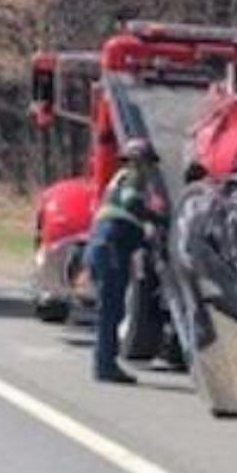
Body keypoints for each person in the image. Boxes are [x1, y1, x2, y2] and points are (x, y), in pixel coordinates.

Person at [84, 142, 163, 384]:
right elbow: (131, 204)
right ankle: (105, 367)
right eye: (148, 162)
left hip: (102, 245)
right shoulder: (133, 177)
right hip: (110, 248)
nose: (150, 168)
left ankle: (105, 363)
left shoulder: (118, 179)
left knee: (110, 310)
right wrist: (158, 219)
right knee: (111, 310)